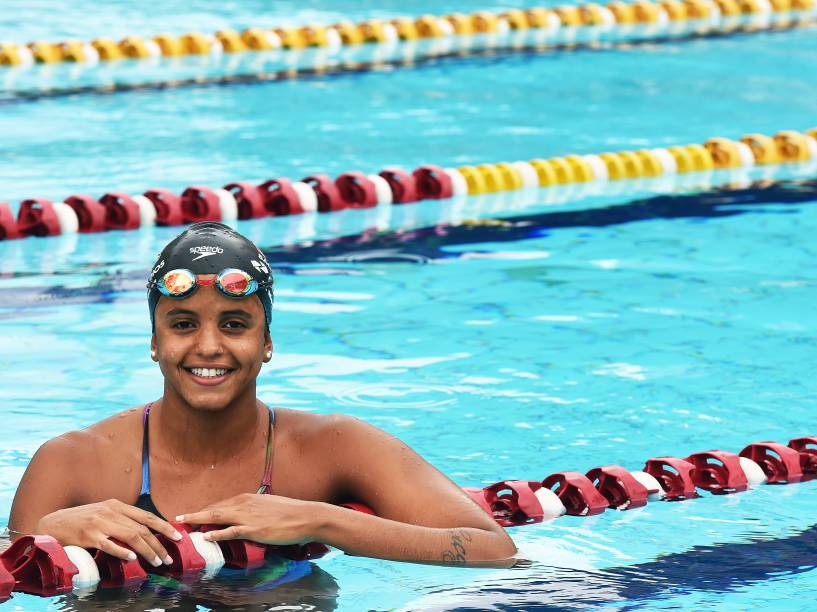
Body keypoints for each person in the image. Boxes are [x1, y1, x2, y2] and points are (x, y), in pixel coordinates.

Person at [8, 222, 516, 568]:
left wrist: (322, 520)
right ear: (155, 343)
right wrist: (47, 532)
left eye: (234, 324)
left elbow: (492, 548)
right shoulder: (71, 463)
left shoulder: (333, 446)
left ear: (266, 342)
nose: (208, 346)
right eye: (183, 324)